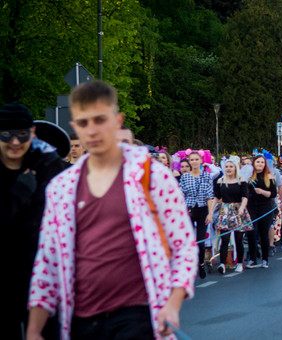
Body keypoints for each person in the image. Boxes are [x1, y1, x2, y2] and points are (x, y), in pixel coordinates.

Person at [26, 81, 196, 340]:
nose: (92, 130)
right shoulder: (61, 188)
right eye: (83, 123)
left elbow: (184, 245)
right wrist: (34, 329)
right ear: (74, 128)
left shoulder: (151, 176)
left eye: (100, 120)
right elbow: (47, 261)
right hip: (81, 320)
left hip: (138, 314)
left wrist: (172, 305)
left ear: (117, 121)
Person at [2, 103, 68, 340]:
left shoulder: (49, 165)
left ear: (31, 133)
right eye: (6, 135)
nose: (15, 142)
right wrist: (20, 192)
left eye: (21, 135)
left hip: (43, 277)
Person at [180, 150, 215, 279]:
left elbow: (209, 196)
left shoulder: (206, 176)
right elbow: (181, 196)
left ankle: (201, 263)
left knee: (200, 240)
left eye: (196, 159)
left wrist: (210, 213)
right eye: (191, 160)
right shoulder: (185, 177)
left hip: (202, 210)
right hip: (188, 210)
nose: (194, 162)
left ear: (201, 161)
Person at [214, 156, 249, 273]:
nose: (228, 169)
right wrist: (211, 211)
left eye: (231, 166)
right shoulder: (220, 181)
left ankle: (239, 263)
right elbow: (217, 197)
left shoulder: (241, 180)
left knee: (238, 239)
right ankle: (222, 264)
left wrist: (242, 208)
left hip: (238, 209)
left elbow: (245, 196)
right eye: (226, 166)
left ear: (235, 168)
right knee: (224, 239)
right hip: (225, 210)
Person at [246, 155, 278, 267]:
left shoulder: (269, 176)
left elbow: (273, 194)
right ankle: (253, 258)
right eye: (258, 162)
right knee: (251, 233)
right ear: (254, 163)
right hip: (251, 207)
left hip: (265, 207)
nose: (260, 164)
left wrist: (262, 192)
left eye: (262, 162)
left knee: (264, 234)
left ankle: (265, 259)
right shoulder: (249, 177)